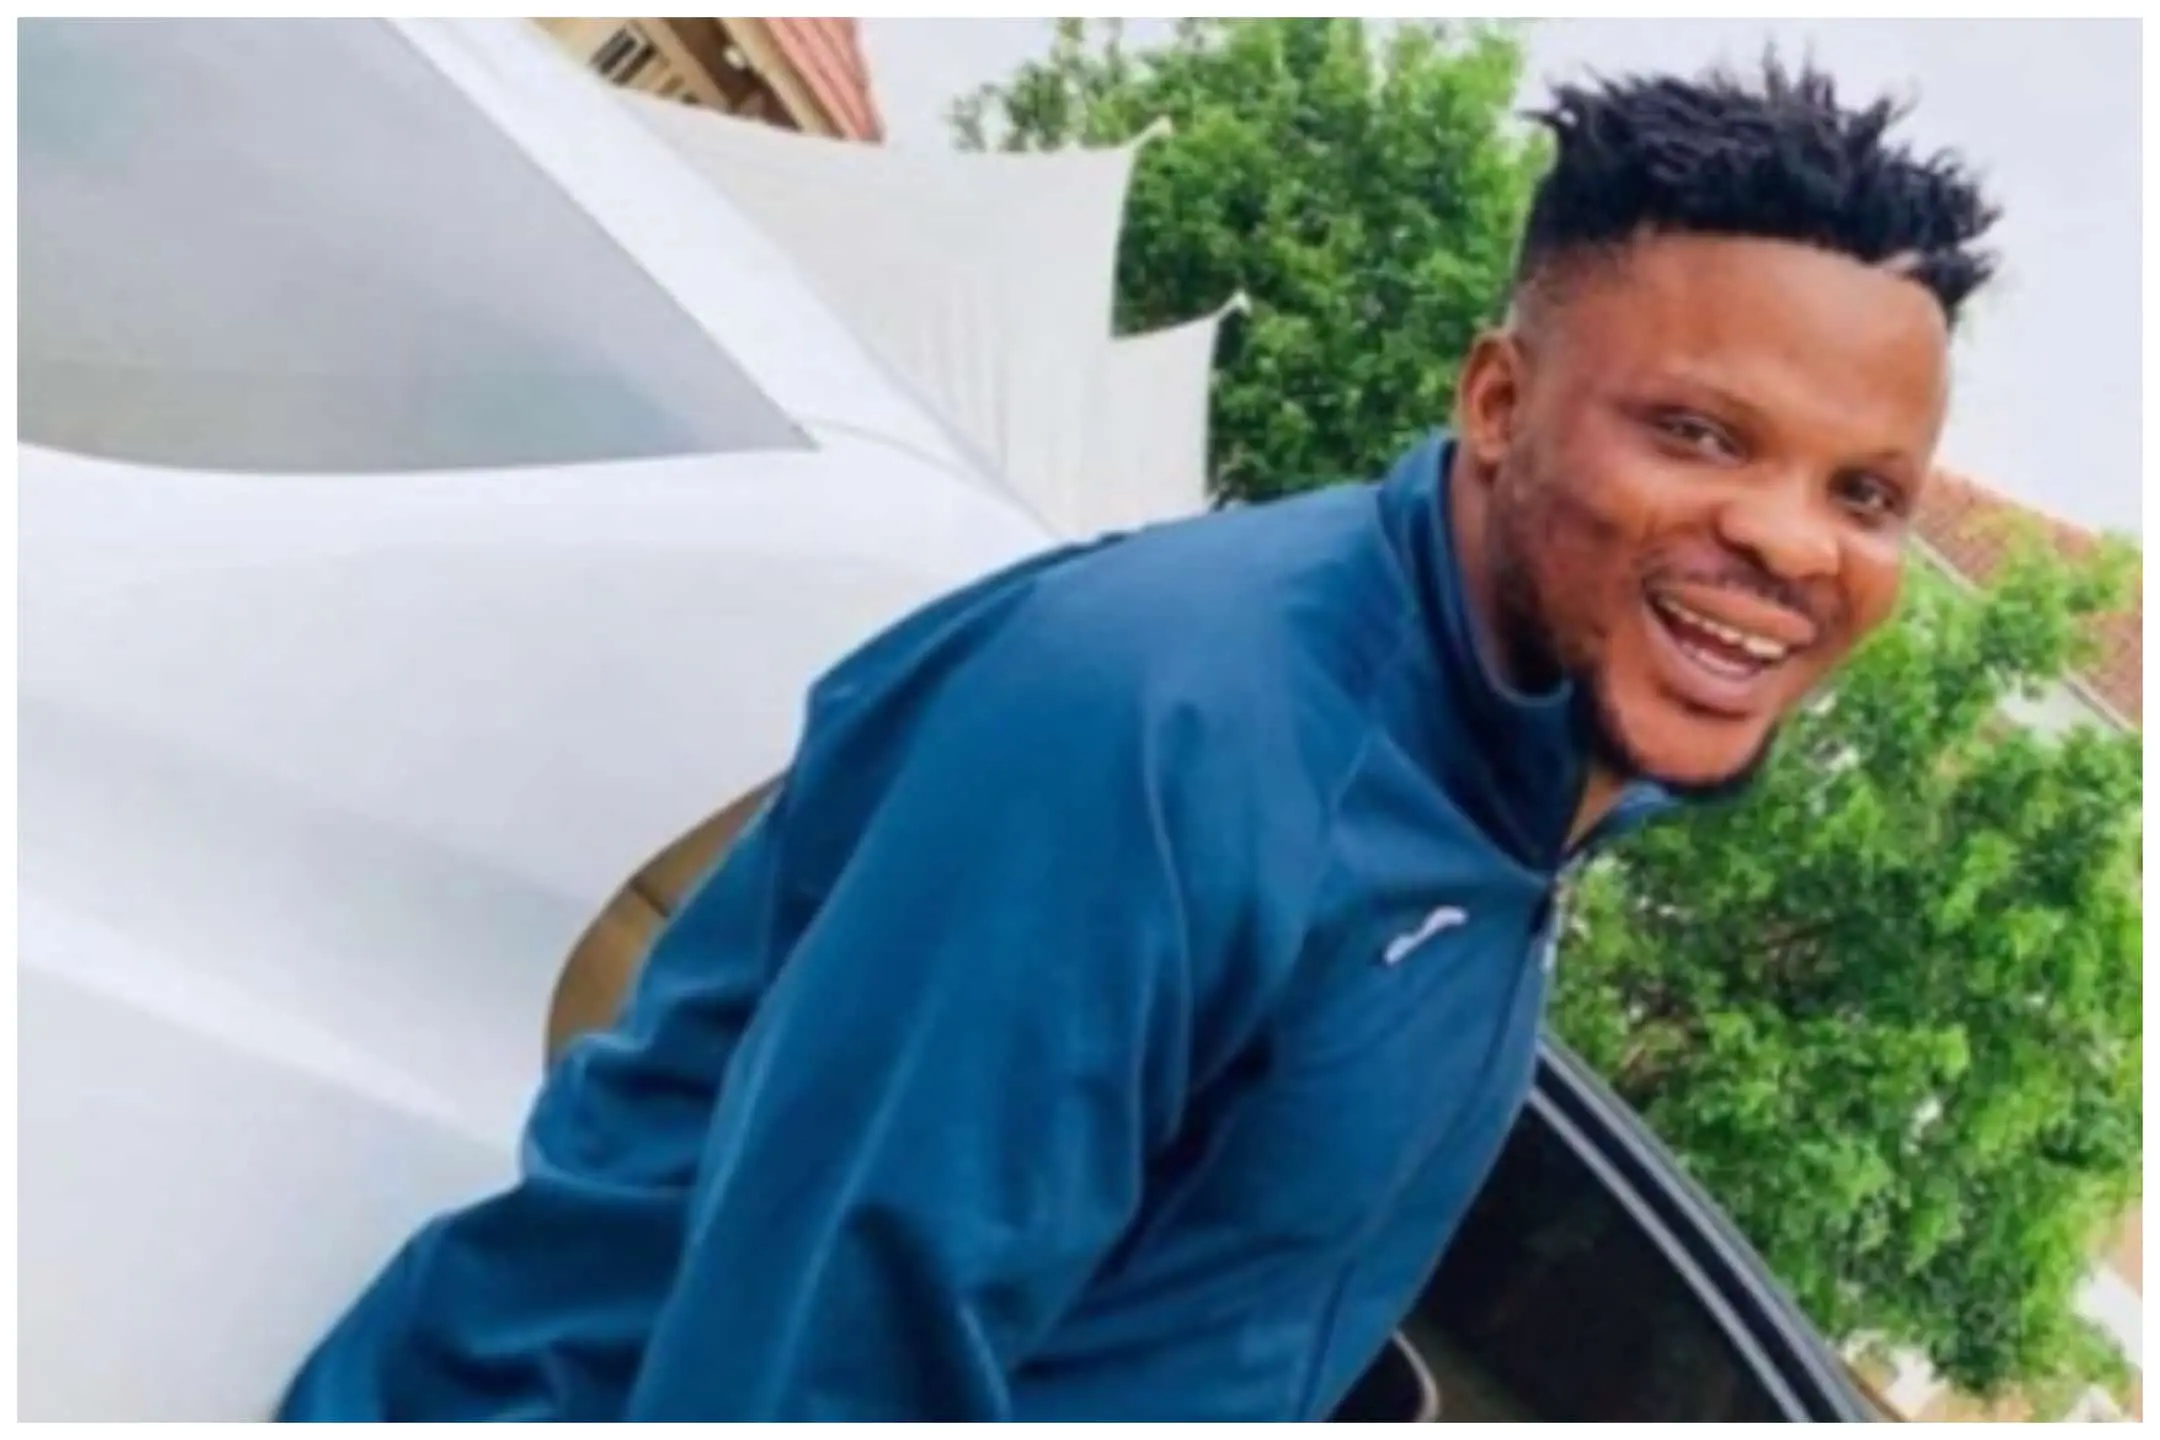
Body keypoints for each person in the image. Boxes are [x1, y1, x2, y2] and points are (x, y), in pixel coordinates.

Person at [278, 57, 1999, 1422]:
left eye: (1864, 494)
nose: (1790, 542)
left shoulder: (1512, 790)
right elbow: (810, 1375)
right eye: (1700, 434)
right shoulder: (1162, 733)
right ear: (1498, 403)